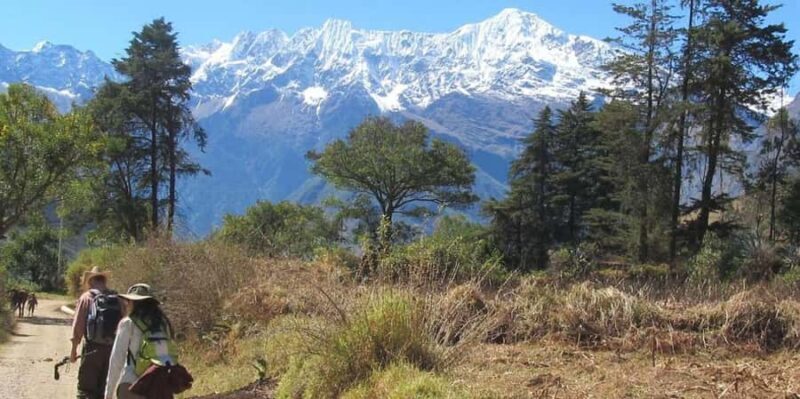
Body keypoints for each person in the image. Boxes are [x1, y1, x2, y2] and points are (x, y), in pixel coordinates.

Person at [106, 283, 189, 399]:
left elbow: (117, 359)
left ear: (132, 302)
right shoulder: (163, 323)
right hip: (160, 384)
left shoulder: (128, 323)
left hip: (133, 385)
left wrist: (108, 394)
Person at [71, 267, 122, 399]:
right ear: (104, 281)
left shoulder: (87, 298)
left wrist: (73, 350)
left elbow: (78, 327)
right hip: (112, 350)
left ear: (91, 281)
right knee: (103, 390)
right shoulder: (117, 298)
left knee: (86, 389)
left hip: (92, 349)